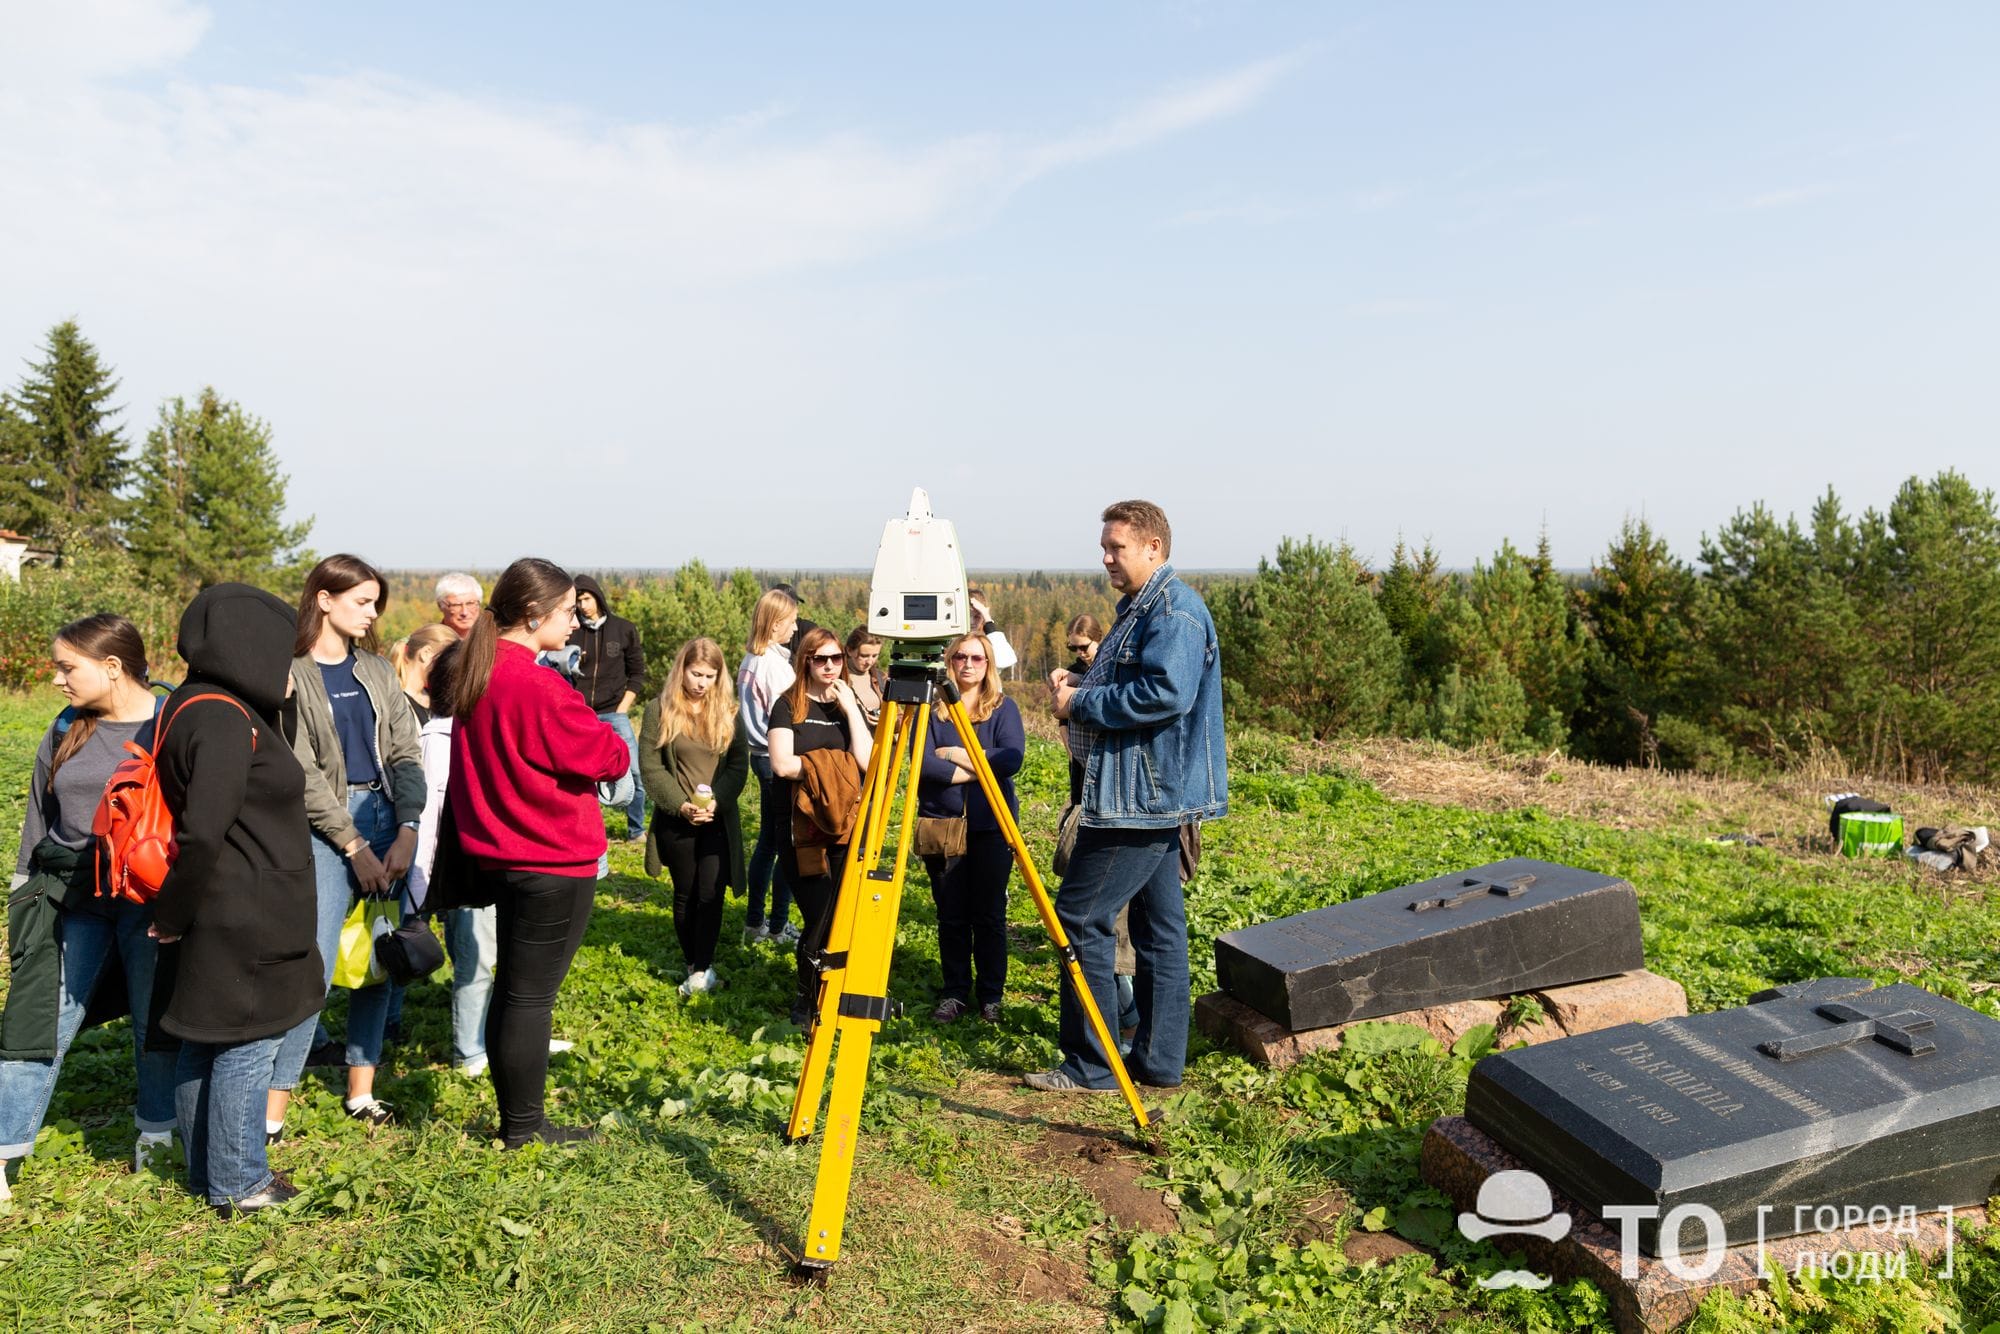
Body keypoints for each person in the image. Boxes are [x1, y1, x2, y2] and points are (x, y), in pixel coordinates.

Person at [1030, 501, 1227, 1094]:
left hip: (1140, 797)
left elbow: (1166, 693)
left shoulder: (1175, 612)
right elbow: (1136, 682)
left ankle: (1092, 1064)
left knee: (1080, 915)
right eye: (1105, 547)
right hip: (1142, 790)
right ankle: (1159, 1063)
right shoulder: (1143, 610)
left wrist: (1080, 704)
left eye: (1117, 547)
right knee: (1158, 927)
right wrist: (1083, 683)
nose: (1107, 557)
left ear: (1153, 548)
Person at [446, 557, 630, 1148]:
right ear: (533, 614)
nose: (576, 624)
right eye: (567, 613)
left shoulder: (477, 670)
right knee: (530, 997)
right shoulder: (538, 684)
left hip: (497, 853)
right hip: (551, 857)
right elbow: (609, 756)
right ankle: (524, 1129)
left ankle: (517, 1122)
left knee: (512, 990)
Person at [152, 583, 321, 1215]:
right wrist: (172, 914)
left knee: (206, 1039)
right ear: (248, 645)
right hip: (245, 911)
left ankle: (207, 1172)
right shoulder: (223, 718)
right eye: (282, 652)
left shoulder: (199, 705)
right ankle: (241, 1182)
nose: (289, 666)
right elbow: (204, 830)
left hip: (222, 907)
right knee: (251, 1044)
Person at [0, 616, 174, 1199]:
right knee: (37, 1022)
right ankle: (3, 1150)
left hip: (151, 902)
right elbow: (37, 813)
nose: (57, 679)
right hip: (74, 897)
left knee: (155, 1023)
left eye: (66, 667)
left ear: (112, 666)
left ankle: (157, 1137)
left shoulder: (171, 720)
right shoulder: (66, 724)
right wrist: (24, 890)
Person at [269, 554, 427, 1134]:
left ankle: (362, 1091)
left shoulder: (378, 670)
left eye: (375, 602)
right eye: (362, 600)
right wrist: (352, 844)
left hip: (388, 823)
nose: (373, 612)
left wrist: (407, 827)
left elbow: (406, 752)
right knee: (312, 965)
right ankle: (272, 1110)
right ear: (324, 599)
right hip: (323, 833)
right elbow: (300, 769)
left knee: (381, 955)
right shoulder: (290, 672)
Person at [915, 632, 1023, 1025]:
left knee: (990, 914)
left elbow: (1011, 758)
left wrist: (960, 755)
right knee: (952, 914)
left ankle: (991, 996)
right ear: (950, 661)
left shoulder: (1003, 709)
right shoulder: (933, 709)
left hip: (990, 826)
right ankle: (955, 992)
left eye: (977, 658)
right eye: (961, 656)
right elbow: (924, 762)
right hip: (942, 825)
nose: (969, 664)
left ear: (989, 664)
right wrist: (978, 772)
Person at [766, 627, 871, 1027]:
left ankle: (835, 991)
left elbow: (866, 761)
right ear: (805, 661)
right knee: (820, 913)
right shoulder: (787, 705)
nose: (830, 666)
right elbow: (782, 764)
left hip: (844, 826)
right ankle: (807, 996)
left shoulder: (847, 705)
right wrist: (829, 763)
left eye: (836, 659)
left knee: (844, 911)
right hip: (800, 829)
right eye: (820, 659)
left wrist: (851, 712)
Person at [639, 638, 750, 997]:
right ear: (681, 670)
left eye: (710, 676)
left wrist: (719, 800)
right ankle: (693, 963)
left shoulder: (729, 712)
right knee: (686, 893)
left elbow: (738, 764)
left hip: (717, 818)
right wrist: (680, 805)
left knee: (711, 893)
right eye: (696, 674)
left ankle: (703, 967)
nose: (701, 683)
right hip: (678, 820)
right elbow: (651, 768)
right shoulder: (661, 710)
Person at [737, 588, 797, 945]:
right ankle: (775, 925)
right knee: (784, 845)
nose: (794, 628)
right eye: (790, 622)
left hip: (759, 756)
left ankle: (757, 921)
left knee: (767, 843)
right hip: (775, 760)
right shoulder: (772, 667)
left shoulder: (752, 659)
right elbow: (791, 715)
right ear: (775, 624)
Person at [568, 575, 647, 842]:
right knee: (581, 775)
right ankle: (588, 831)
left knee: (634, 771)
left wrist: (623, 709)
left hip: (615, 713)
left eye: (586, 599)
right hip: (581, 714)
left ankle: (636, 830)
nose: (583, 606)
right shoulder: (572, 632)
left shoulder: (623, 629)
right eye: (578, 601)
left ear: (598, 597)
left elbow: (637, 673)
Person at [1060, 614, 1105, 806]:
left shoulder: (1109, 668)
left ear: (1098, 639)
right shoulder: (1073, 671)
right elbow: (1063, 718)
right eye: (1073, 647)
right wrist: (1071, 751)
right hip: (1078, 755)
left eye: (1084, 647)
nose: (1079, 652)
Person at [391, 623, 459, 725]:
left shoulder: (434, 699)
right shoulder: (395, 702)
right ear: (425, 653)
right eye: (446, 659)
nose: (450, 666)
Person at [966, 588, 1019, 673]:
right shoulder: (951, 640)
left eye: (977, 616)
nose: (971, 622)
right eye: (967, 616)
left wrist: (987, 617)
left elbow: (1005, 661)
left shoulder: (990, 640)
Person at [844, 626, 886, 728]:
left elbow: (898, 716)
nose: (870, 661)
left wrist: (886, 721)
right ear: (849, 650)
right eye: (864, 656)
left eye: (875, 655)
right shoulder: (836, 678)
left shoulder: (882, 678)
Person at [436, 573, 483, 637]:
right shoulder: (429, 642)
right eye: (456, 605)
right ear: (440, 606)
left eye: (470, 603)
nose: (464, 612)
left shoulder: (494, 640)